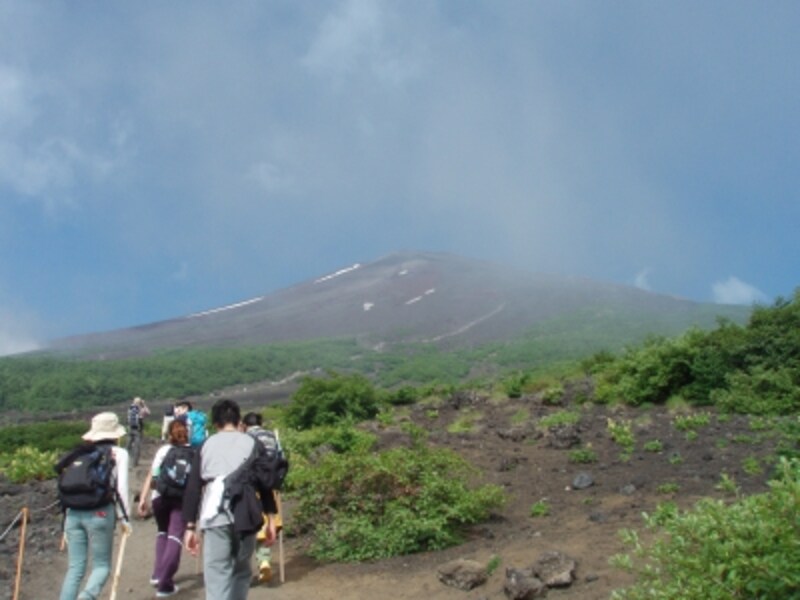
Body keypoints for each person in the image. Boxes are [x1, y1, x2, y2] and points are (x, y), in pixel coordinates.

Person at [182, 399, 277, 600]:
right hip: (247, 514)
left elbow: (193, 488)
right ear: (238, 420)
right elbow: (266, 484)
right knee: (241, 571)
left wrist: (190, 527)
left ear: (215, 422)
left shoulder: (205, 445)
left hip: (215, 515)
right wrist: (271, 519)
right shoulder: (253, 443)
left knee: (217, 572)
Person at [57, 412, 131, 600]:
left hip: (73, 512)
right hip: (99, 513)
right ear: (115, 434)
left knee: (75, 568)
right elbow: (121, 488)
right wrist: (124, 518)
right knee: (101, 566)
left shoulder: (80, 454)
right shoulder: (119, 453)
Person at [137, 419, 192, 598]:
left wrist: (143, 498)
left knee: (162, 532)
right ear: (187, 433)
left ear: (170, 434)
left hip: (159, 497)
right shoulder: (194, 453)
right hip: (180, 500)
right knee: (175, 537)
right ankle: (165, 584)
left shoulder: (163, 451)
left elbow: (153, 476)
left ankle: (157, 574)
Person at [242, 412, 282, 584]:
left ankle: (251, 565)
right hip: (271, 484)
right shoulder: (272, 436)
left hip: (252, 486)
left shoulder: (246, 438)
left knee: (252, 523)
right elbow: (281, 459)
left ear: (245, 424)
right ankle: (264, 560)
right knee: (269, 522)